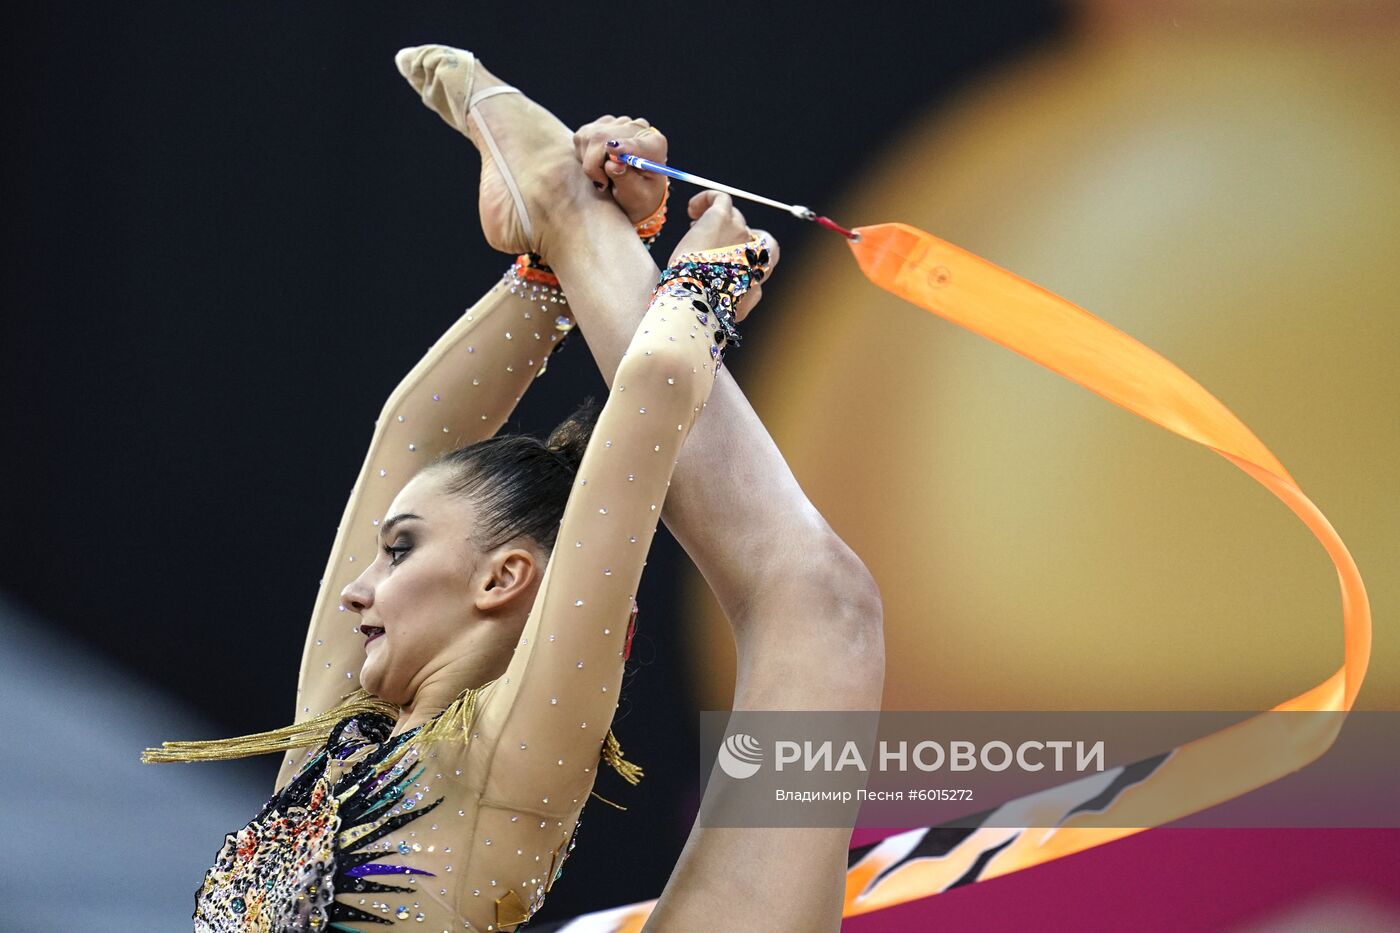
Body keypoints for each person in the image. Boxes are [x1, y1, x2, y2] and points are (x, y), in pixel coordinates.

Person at [147, 44, 883, 933]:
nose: (354, 585)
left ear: (504, 578)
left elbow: (631, 403)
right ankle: (568, 223)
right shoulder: (344, 751)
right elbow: (417, 434)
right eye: (391, 548)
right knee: (819, 606)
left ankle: (570, 221)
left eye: (401, 547)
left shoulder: (496, 760)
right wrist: (601, 279)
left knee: (821, 606)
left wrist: (652, 279)